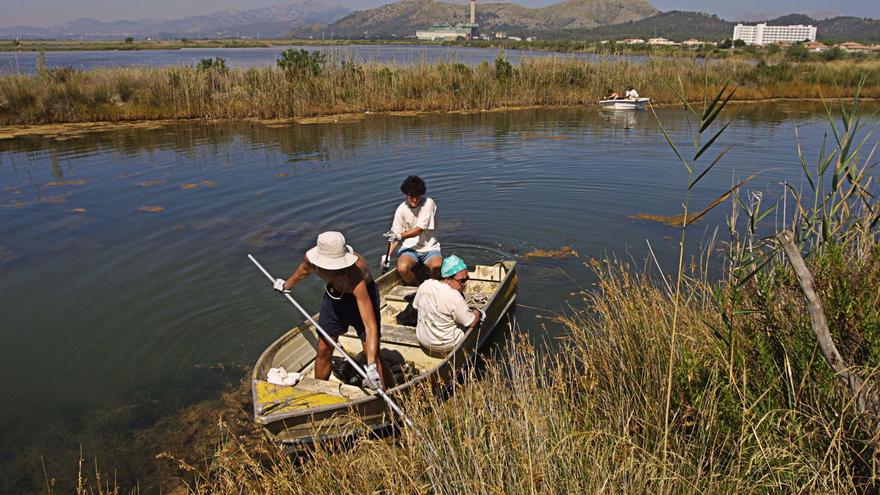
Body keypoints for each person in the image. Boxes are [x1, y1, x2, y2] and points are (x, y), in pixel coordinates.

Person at [274, 231, 393, 389]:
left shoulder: (355, 277)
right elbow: (303, 271)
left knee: (372, 353)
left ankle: (391, 392)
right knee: (324, 347)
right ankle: (319, 389)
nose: (337, 271)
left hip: (361, 298)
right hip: (334, 296)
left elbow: (370, 326)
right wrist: (286, 285)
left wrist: (370, 366)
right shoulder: (312, 260)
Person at [412, 255, 484, 355]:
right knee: (474, 322)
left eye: (467, 279)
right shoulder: (454, 296)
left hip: (423, 341)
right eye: (462, 281)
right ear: (447, 279)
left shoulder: (426, 284)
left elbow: (415, 306)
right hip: (447, 345)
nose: (465, 284)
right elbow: (471, 322)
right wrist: (477, 312)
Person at [383, 175, 442, 285]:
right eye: (411, 196)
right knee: (402, 268)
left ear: (421, 194)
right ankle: (416, 288)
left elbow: (419, 229)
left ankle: (434, 288)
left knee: (436, 269)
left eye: (417, 196)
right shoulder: (401, 210)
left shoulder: (428, 203)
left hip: (430, 248)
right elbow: (394, 236)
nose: (414, 200)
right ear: (406, 195)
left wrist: (399, 236)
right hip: (410, 249)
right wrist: (387, 257)